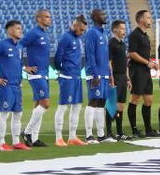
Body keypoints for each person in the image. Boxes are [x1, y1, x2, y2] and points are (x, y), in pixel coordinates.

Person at [0, 20, 31, 152]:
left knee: (18, 114)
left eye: (21, 28)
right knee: (4, 114)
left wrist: (22, 73)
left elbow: (18, 63)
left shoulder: (19, 47)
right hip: (5, 85)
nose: (21, 31)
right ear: (10, 31)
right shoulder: (1, 45)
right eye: (18, 29)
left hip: (16, 86)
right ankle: (1, 143)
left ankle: (16, 142)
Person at [21, 9, 53, 148]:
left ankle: (34, 138)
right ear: (38, 19)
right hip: (36, 74)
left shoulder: (45, 34)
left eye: (49, 17)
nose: (49, 19)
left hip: (44, 73)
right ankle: (27, 132)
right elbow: (17, 46)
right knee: (45, 103)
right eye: (46, 17)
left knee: (38, 105)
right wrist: (24, 67)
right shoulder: (33, 33)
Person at [53, 15, 87, 146]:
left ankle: (72, 136)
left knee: (77, 106)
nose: (82, 32)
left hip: (77, 77)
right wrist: (62, 70)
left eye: (84, 30)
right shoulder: (66, 37)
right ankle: (58, 138)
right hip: (67, 77)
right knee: (63, 107)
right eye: (81, 30)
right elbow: (57, 58)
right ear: (75, 26)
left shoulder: (77, 39)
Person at [127, 10, 159, 137]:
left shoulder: (145, 35)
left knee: (149, 100)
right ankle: (134, 130)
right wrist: (147, 63)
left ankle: (148, 129)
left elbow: (142, 54)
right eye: (148, 17)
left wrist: (152, 63)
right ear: (141, 20)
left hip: (145, 71)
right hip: (137, 71)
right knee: (134, 99)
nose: (150, 19)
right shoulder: (134, 35)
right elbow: (132, 53)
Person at [83, 8, 111, 143]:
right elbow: (90, 54)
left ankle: (101, 135)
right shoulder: (91, 33)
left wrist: (109, 73)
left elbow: (106, 56)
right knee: (93, 101)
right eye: (101, 14)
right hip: (95, 74)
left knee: (102, 102)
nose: (104, 16)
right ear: (94, 17)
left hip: (104, 73)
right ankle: (88, 135)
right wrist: (95, 74)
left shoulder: (104, 33)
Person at [108, 19, 130, 141]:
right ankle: (109, 132)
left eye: (124, 29)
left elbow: (126, 63)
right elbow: (109, 62)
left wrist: (127, 79)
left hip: (122, 77)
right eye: (122, 29)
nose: (124, 31)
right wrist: (111, 78)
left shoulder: (123, 44)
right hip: (115, 77)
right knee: (112, 106)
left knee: (121, 106)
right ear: (115, 30)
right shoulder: (111, 43)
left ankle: (120, 132)